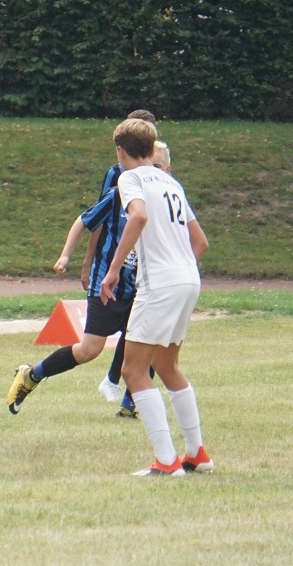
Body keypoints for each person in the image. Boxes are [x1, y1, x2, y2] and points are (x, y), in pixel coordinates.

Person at [6, 110, 157, 418]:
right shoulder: (118, 189)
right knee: (90, 350)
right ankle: (31, 375)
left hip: (143, 283)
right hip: (108, 280)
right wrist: (71, 257)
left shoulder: (161, 190)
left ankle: (130, 405)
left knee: (146, 340)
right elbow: (86, 221)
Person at [99, 118, 212, 476]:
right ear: (151, 149)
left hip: (160, 284)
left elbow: (138, 217)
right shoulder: (171, 182)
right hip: (188, 279)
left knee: (133, 369)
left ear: (121, 151)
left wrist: (113, 270)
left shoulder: (129, 178)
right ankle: (196, 453)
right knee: (166, 365)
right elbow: (200, 242)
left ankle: (166, 461)